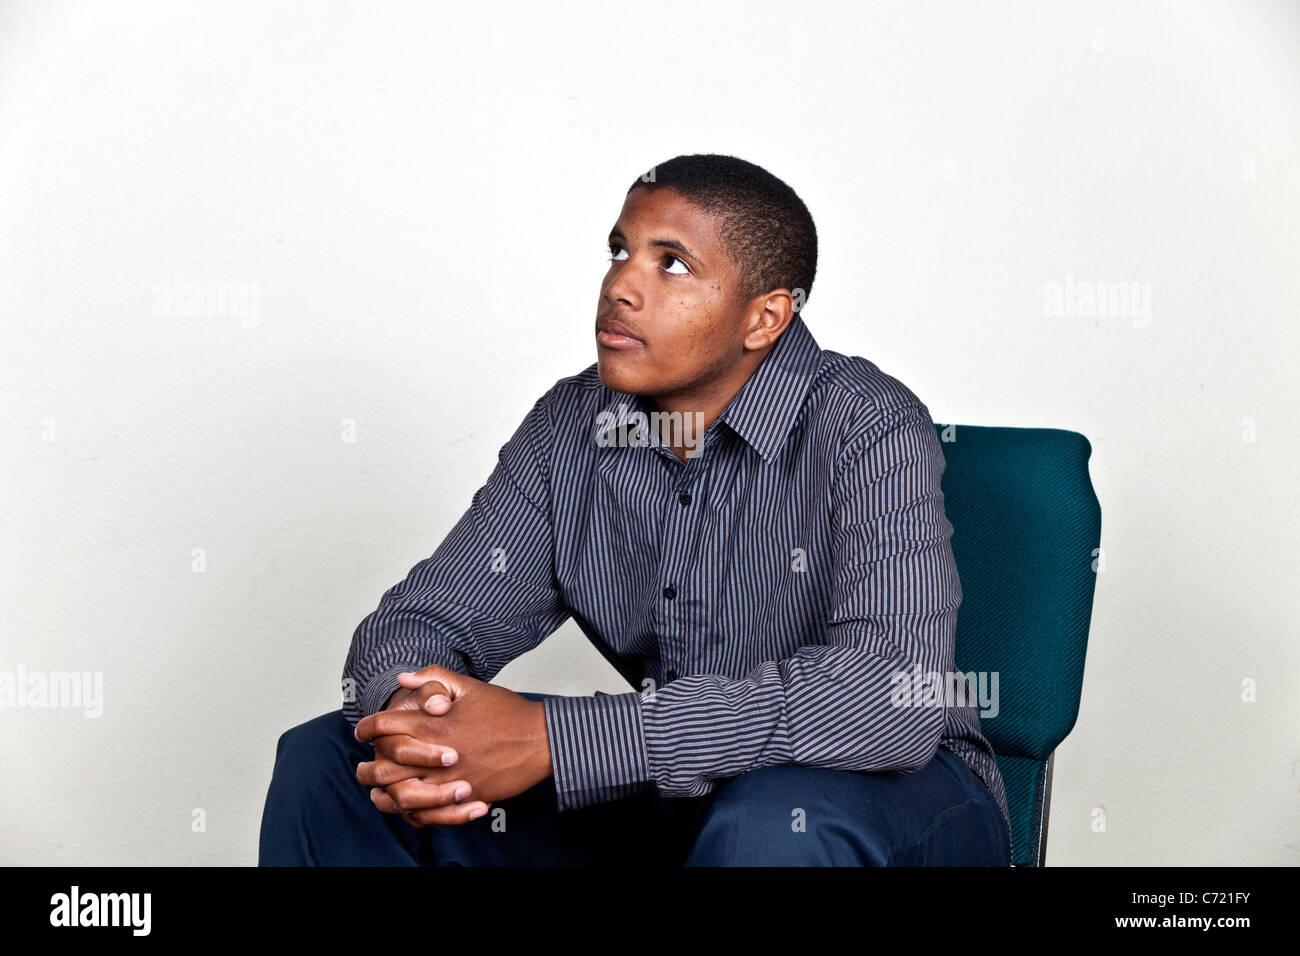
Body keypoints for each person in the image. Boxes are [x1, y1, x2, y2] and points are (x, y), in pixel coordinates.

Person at [258, 153, 1012, 866]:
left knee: (770, 821)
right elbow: (424, 621)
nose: (621, 285)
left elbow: (885, 700)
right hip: (678, 789)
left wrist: (558, 740)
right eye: (619, 251)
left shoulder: (868, 423)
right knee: (333, 760)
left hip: (889, 797)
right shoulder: (575, 423)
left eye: (671, 263)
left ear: (764, 318)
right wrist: (422, 719)